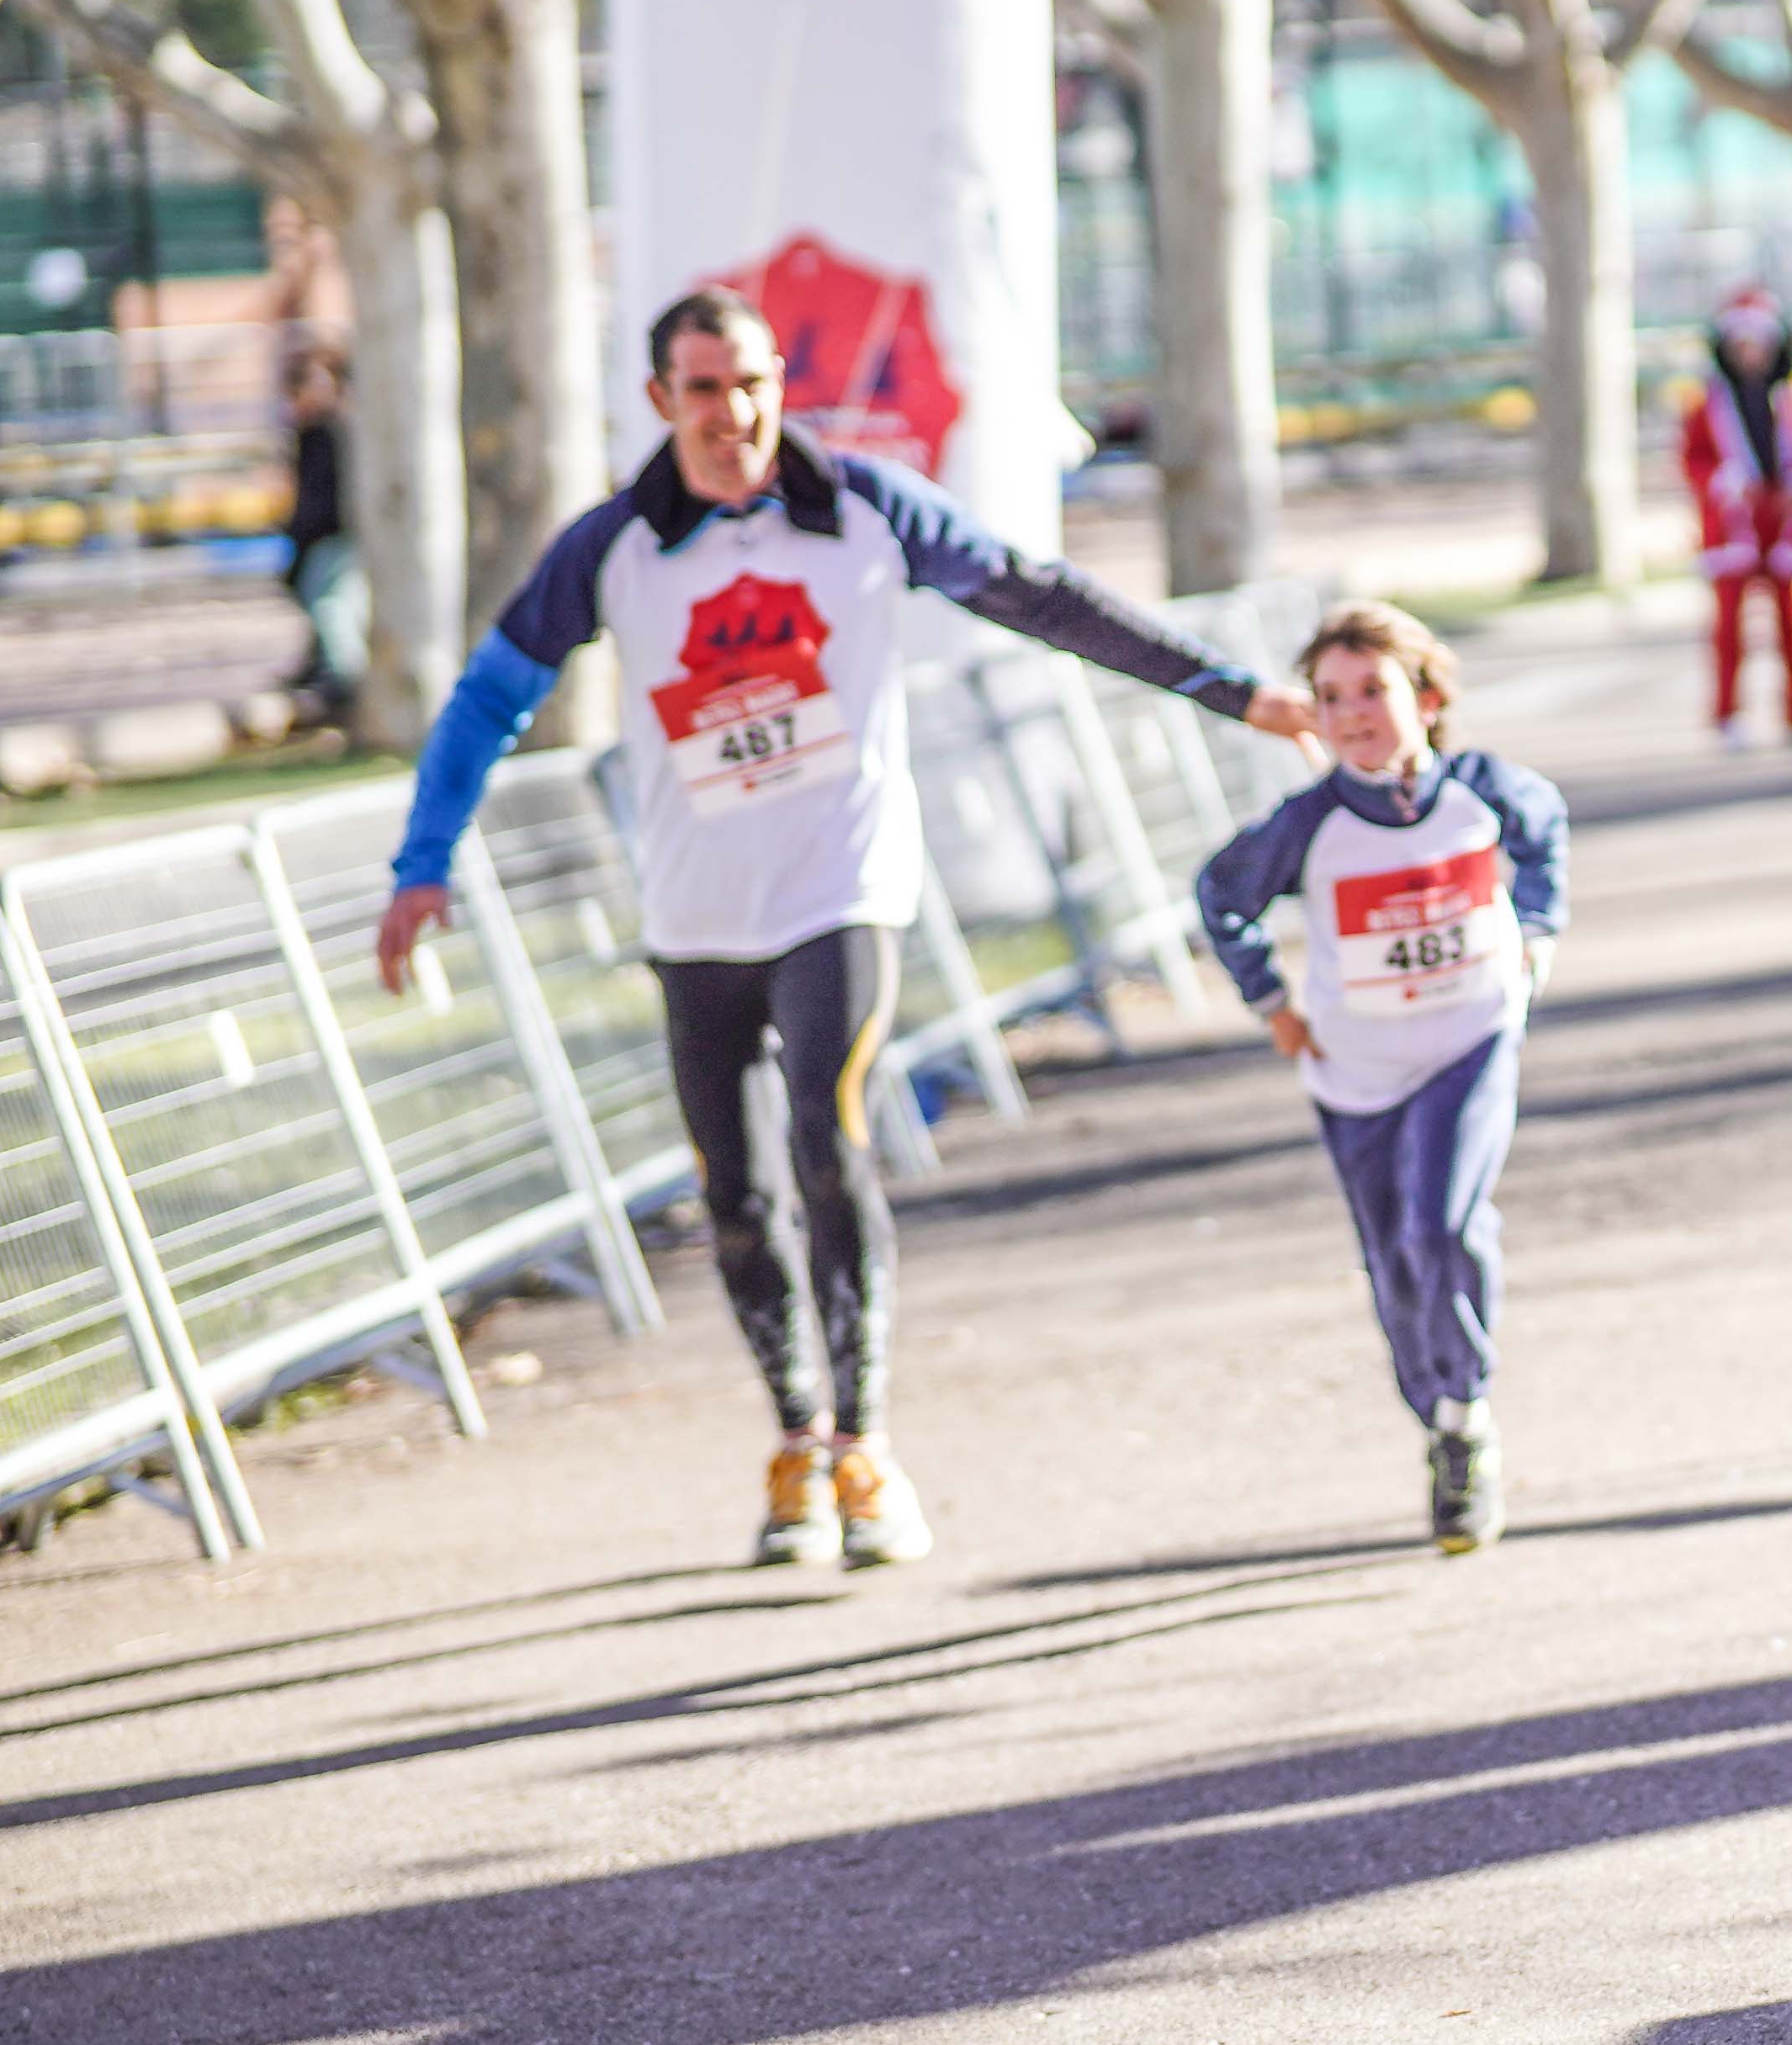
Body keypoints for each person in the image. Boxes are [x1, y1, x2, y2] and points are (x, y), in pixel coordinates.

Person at [379, 287, 1327, 1571]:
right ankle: (797, 1442)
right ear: (661, 401)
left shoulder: (868, 511)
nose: (736, 414)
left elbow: (1043, 598)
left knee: (830, 1142)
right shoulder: (614, 547)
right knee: (737, 1194)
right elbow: (490, 696)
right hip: (697, 912)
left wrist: (1231, 692)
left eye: (756, 382)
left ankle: (867, 1447)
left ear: (784, 385)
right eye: (706, 390)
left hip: (841, 889)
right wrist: (423, 862)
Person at [1191, 601, 1569, 1555]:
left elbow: (1545, 835)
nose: (1354, 713)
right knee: (1396, 1255)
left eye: (1375, 691)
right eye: (1331, 697)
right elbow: (1219, 895)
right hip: (1355, 1070)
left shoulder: (1483, 790)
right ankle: (1439, 1421)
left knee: (1443, 1220)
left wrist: (1535, 936)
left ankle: (1468, 1407)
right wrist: (1271, 1001)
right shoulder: (1309, 823)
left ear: (1428, 697)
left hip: (1470, 1041)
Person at [1682, 290, 1792, 748]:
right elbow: (1695, 460)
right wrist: (1724, 482)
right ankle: (1729, 715)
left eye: (1758, 342)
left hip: (1782, 519)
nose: (1749, 352)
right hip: (1733, 523)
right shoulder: (1706, 401)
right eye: (1740, 343)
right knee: (1729, 626)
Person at [278, 348, 361, 720]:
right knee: (317, 598)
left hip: (335, 533)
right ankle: (322, 667)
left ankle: (344, 676)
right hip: (316, 535)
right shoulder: (309, 434)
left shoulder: (335, 431)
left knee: (331, 604)